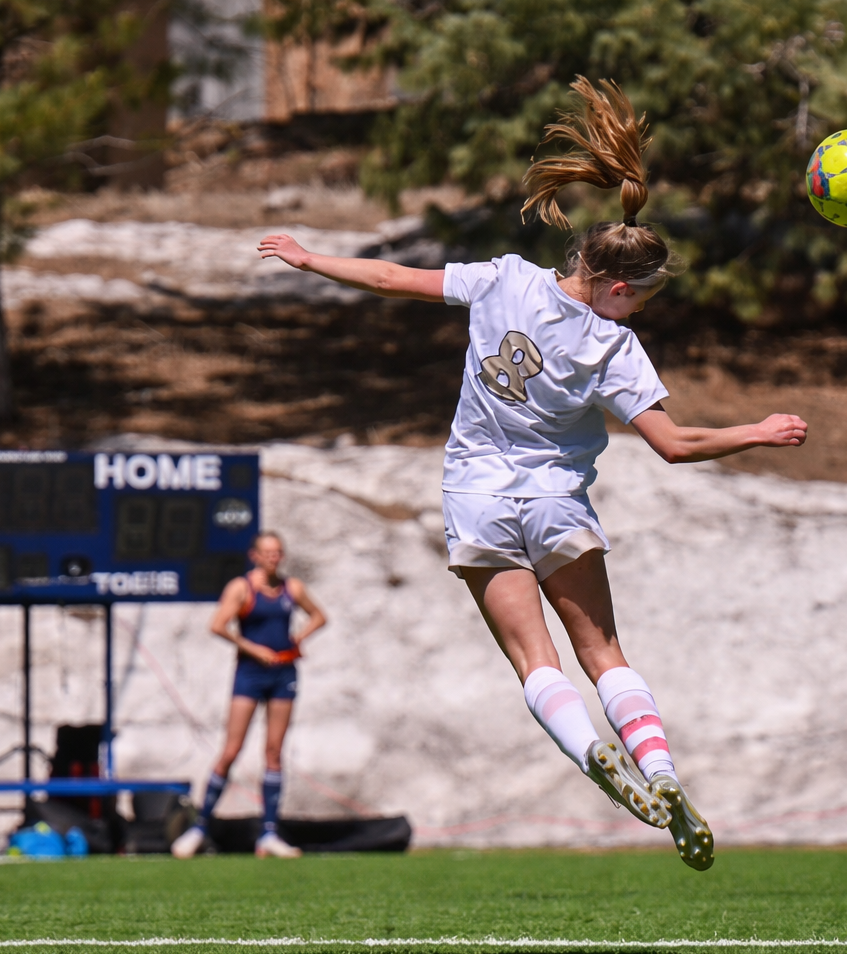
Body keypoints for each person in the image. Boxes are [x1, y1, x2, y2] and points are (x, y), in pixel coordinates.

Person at [256, 77, 806, 870]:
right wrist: (756, 430)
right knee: (605, 654)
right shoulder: (616, 348)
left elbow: (394, 279)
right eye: (642, 299)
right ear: (617, 288)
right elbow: (675, 446)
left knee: (533, 663)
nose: (641, 311)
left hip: (477, 500)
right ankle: (660, 770)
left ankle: (591, 756)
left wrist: (310, 259)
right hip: (555, 503)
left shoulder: (503, 277)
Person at [172, 531, 328, 859]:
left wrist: (297, 639)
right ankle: (200, 827)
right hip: (250, 673)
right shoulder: (241, 588)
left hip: (283, 672)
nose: (274, 558)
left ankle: (269, 833)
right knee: (232, 749)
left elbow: (319, 616)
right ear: (254, 555)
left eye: (278, 552)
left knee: (273, 751)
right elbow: (218, 625)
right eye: (267, 552)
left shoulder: (291, 588)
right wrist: (252, 648)